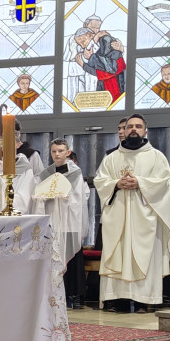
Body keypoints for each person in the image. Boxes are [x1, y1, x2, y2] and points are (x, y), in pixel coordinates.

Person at [94, 113, 170, 313]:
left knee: (145, 255)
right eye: (130, 127)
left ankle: (146, 300)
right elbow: (100, 181)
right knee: (117, 253)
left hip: (145, 218)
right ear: (124, 131)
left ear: (145, 131)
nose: (133, 129)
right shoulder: (111, 158)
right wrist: (116, 183)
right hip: (117, 217)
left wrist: (140, 182)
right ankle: (117, 300)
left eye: (138, 126)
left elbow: (164, 182)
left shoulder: (156, 157)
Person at [33, 139, 89, 308]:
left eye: (60, 151)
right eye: (54, 151)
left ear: (68, 152)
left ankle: (76, 296)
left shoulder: (76, 173)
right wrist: (43, 197)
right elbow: (38, 195)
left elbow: (80, 196)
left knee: (73, 257)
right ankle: (56, 294)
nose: (57, 154)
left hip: (69, 220)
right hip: (53, 220)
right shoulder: (45, 173)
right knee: (53, 256)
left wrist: (68, 197)